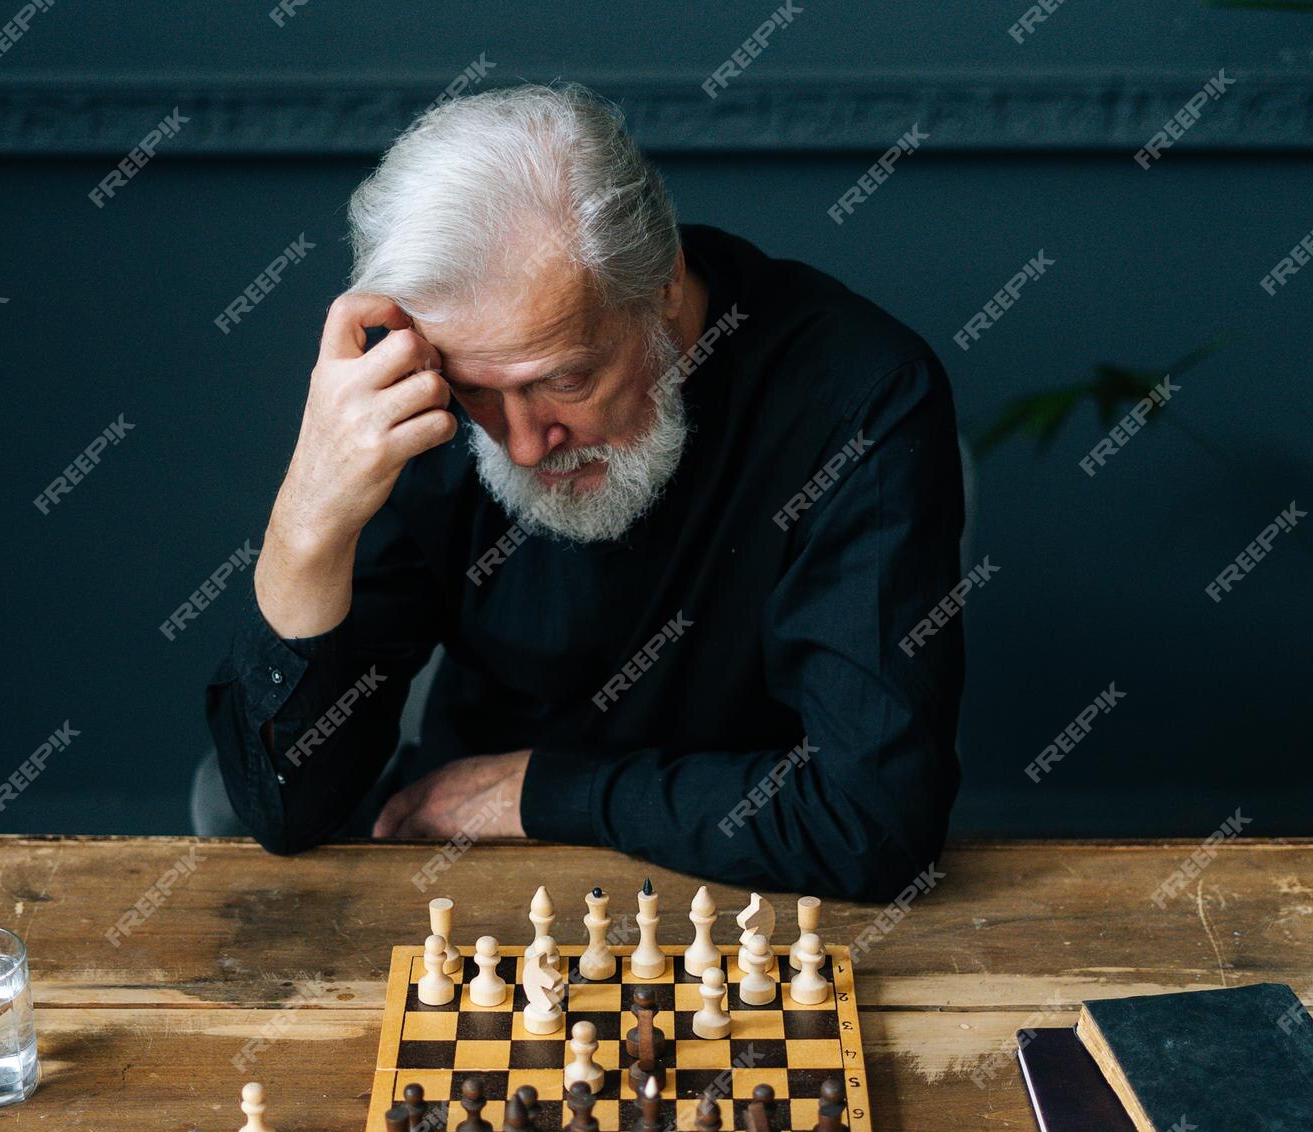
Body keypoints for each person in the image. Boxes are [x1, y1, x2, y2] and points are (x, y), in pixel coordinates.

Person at [206, 82, 964, 899]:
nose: (525, 442)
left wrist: (539, 790)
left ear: (663, 285)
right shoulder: (423, 401)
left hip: (752, 899)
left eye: (565, 378)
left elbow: (872, 825)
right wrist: (306, 520)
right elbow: (282, 809)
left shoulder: (861, 396)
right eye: (478, 394)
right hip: (466, 881)